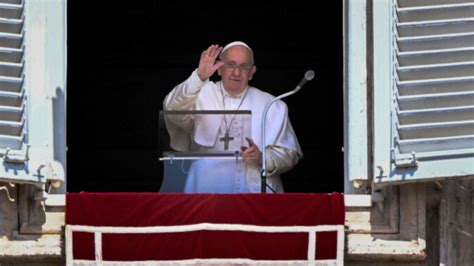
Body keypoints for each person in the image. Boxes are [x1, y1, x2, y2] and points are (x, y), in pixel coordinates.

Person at [163, 41, 302, 193]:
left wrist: (261, 157)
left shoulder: (273, 105)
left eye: (244, 66)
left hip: (253, 189)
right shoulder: (198, 94)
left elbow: (289, 155)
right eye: (230, 64)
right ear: (219, 68)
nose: (237, 72)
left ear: (252, 72)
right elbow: (172, 110)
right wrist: (199, 77)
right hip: (204, 185)